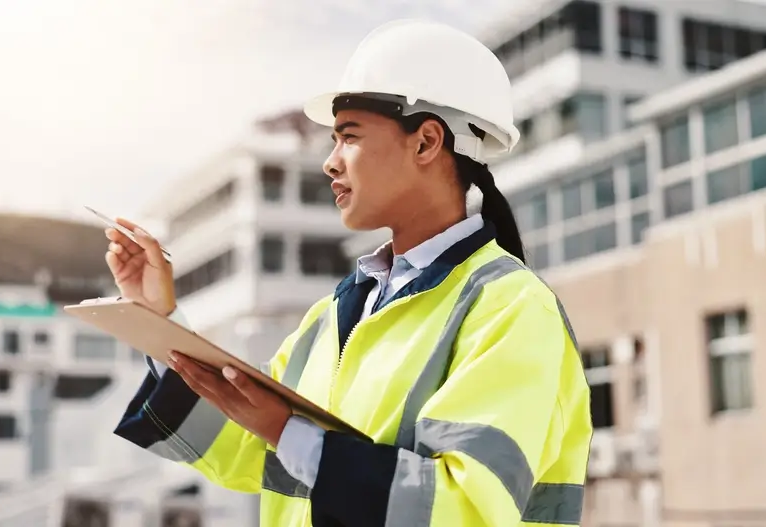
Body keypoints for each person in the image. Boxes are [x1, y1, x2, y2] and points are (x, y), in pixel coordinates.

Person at [106, 19, 591, 527]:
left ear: (426, 142)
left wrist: (291, 435)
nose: (330, 164)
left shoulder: (511, 307)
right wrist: (159, 317)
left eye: (348, 137)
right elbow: (241, 443)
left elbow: (464, 508)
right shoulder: (335, 314)